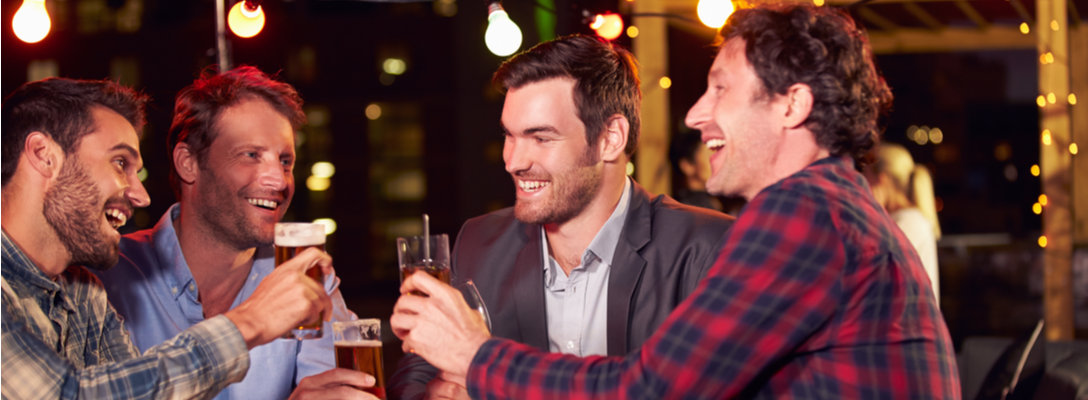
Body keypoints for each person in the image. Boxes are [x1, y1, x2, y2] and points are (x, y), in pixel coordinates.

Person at [391, 4, 960, 398]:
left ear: (792, 105)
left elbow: (648, 391)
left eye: (720, 88)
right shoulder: (836, 206)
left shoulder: (804, 214)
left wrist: (475, 355)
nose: (695, 114)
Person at [387, 34, 735, 400]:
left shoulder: (706, 249)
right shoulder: (478, 241)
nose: (514, 161)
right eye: (510, 135)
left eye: (541, 138)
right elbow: (416, 372)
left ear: (610, 138)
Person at [0, 78, 373, 399]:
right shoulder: (104, 275)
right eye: (119, 163)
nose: (141, 195)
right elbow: (70, 395)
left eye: (286, 161)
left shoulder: (83, 292)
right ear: (43, 156)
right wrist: (250, 323)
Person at [865, 143, 942, 304]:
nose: (865, 189)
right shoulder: (908, 220)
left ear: (881, 180)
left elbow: (875, 273)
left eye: (867, 180)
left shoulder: (908, 223)